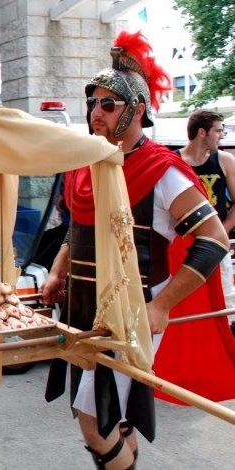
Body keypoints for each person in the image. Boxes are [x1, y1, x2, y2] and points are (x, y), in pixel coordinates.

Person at [42, 31, 231, 469]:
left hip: (131, 310)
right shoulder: (87, 163)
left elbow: (214, 240)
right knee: (113, 414)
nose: (96, 112)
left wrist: (162, 305)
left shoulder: (163, 171)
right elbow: (78, 227)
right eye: (93, 102)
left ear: (136, 109)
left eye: (108, 104)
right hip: (83, 308)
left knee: (94, 422)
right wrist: (57, 270)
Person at [176, 109, 235, 315]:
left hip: (216, 244)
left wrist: (220, 233)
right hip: (180, 245)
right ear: (202, 132)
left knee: (224, 300)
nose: (222, 135)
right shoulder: (173, 161)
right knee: (184, 303)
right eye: (218, 131)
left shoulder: (225, 160)